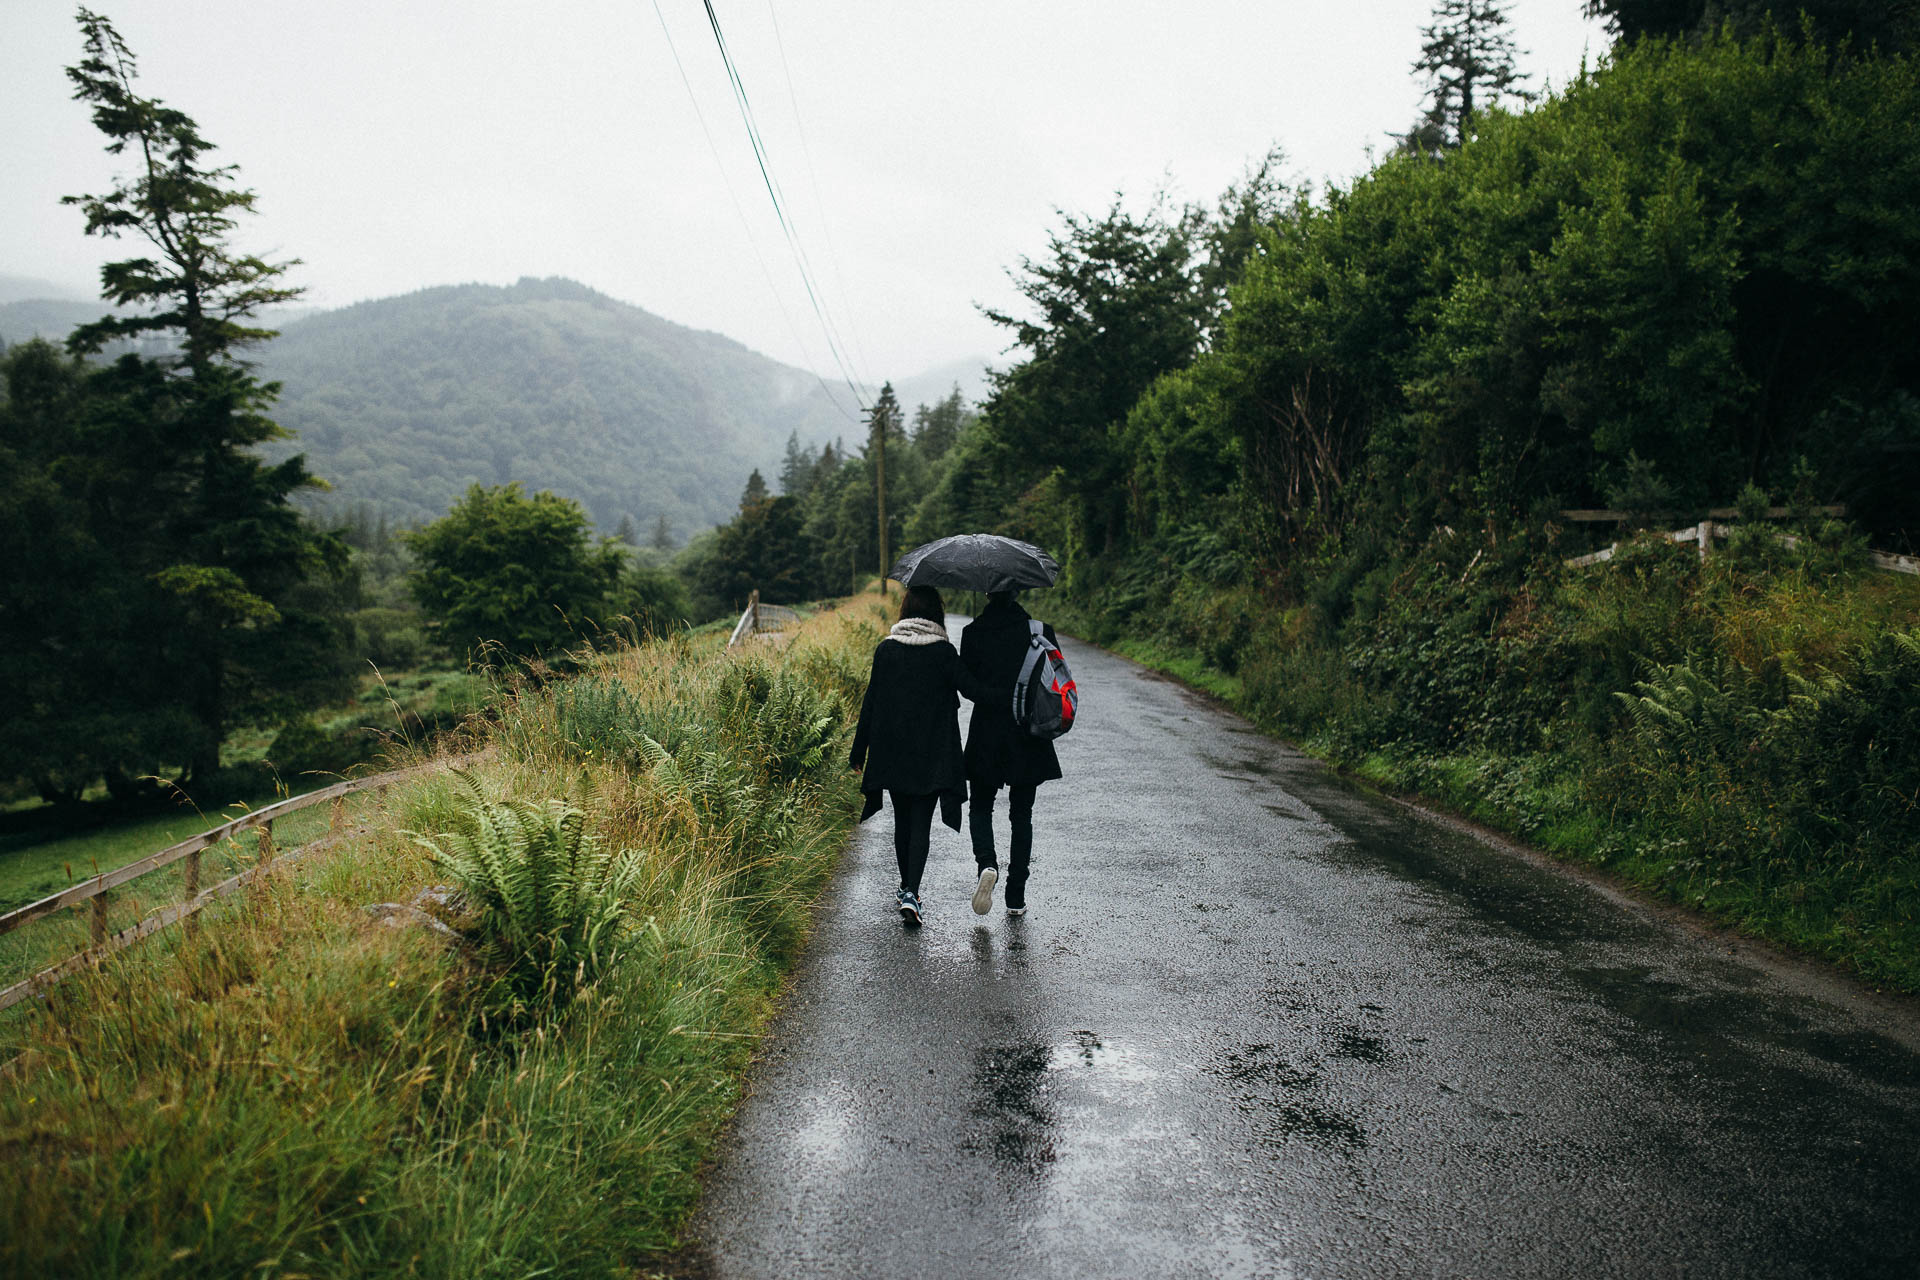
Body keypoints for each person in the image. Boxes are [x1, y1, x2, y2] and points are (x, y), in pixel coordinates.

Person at [849, 585, 993, 926]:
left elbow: (870, 703)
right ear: (936, 614)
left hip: (893, 750)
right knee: (921, 824)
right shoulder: (943, 652)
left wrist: (859, 751)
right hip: (932, 753)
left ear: (905, 611)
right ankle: (912, 890)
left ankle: (906, 889)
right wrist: (1006, 691)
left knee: (902, 819)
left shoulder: (885, 650)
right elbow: (974, 690)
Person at [958, 590, 1063, 916]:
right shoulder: (1039, 631)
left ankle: (987, 865)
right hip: (1027, 732)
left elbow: (965, 685)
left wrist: (994, 697)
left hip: (987, 731)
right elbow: (1054, 678)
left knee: (980, 807)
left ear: (987, 592)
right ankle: (1016, 896)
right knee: (1022, 814)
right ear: (1018, 591)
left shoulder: (973, 632)